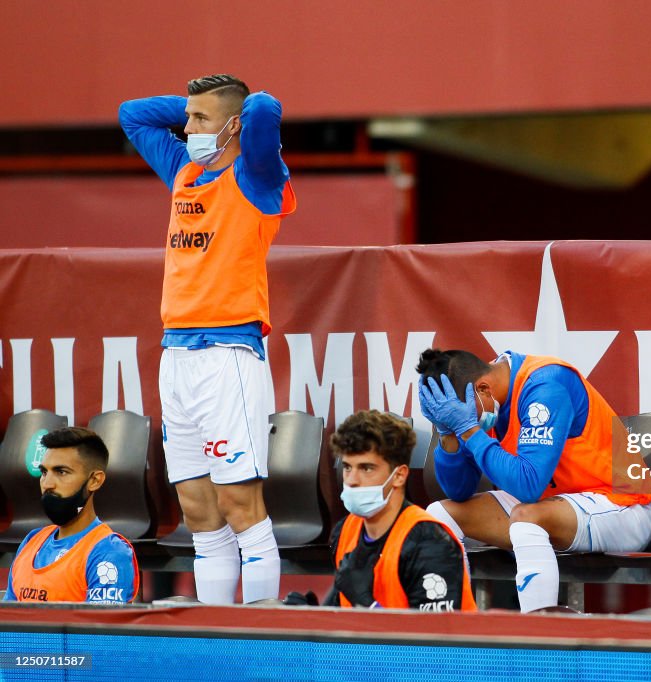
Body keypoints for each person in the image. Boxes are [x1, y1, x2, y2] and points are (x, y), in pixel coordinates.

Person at [119, 74, 296, 604]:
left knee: (241, 505)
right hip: (176, 354)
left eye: (199, 119)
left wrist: (235, 108)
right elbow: (132, 111)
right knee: (199, 511)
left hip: (227, 353)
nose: (187, 127)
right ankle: (216, 630)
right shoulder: (184, 171)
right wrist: (197, 105)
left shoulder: (257, 176)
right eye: (187, 118)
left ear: (234, 126)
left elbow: (266, 106)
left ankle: (264, 636)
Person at [416, 348, 651, 612]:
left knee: (526, 517)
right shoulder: (477, 403)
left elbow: (527, 486)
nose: (463, 421)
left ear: (483, 389)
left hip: (621, 504)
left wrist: (470, 431)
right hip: (550, 506)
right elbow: (458, 490)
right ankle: (451, 628)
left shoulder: (546, 383)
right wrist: (447, 432)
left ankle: (541, 640)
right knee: (439, 515)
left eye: (462, 416)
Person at [304, 410, 475, 611]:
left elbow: (436, 638)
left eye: (366, 468)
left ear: (399, 475)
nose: (351, 480)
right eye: (348, 467)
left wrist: (368, 606)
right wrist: (308, 614)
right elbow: (342, 614)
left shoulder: (430, 544)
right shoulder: (344, 531)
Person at [4, 427, 138, 604]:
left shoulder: (109, 552)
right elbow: (8, 624)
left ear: (95, 481)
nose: (47, 483)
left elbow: (99, 630)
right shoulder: (32, 541)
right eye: (44, 472)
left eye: (61, 472)